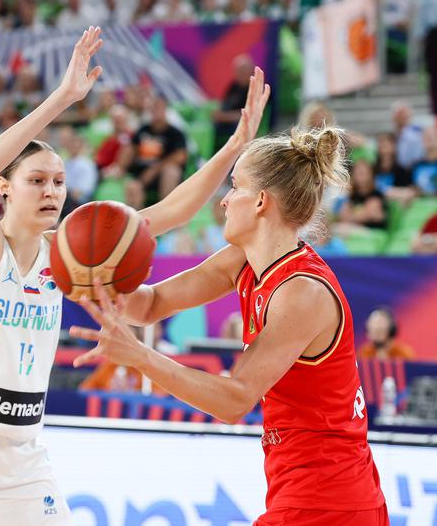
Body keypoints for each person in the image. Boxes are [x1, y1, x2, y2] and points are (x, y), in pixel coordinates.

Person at [0, 27, 272, 525]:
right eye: (36, 180)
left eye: (59, 181)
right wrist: (64, 98)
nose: (51, 191)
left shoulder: (69, 254)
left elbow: (172, 211)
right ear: (5, 187)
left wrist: (235, 145)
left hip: (18, 447)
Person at [71, 125, 388, 525]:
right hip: (312, 492)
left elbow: (235, 400)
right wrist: (97, 277)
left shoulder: (302, 292)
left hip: (330, 499)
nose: (223, 200)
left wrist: (140, 356)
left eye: (235, 187)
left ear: (260, 202)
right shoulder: (243, 260)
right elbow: (150, 304)